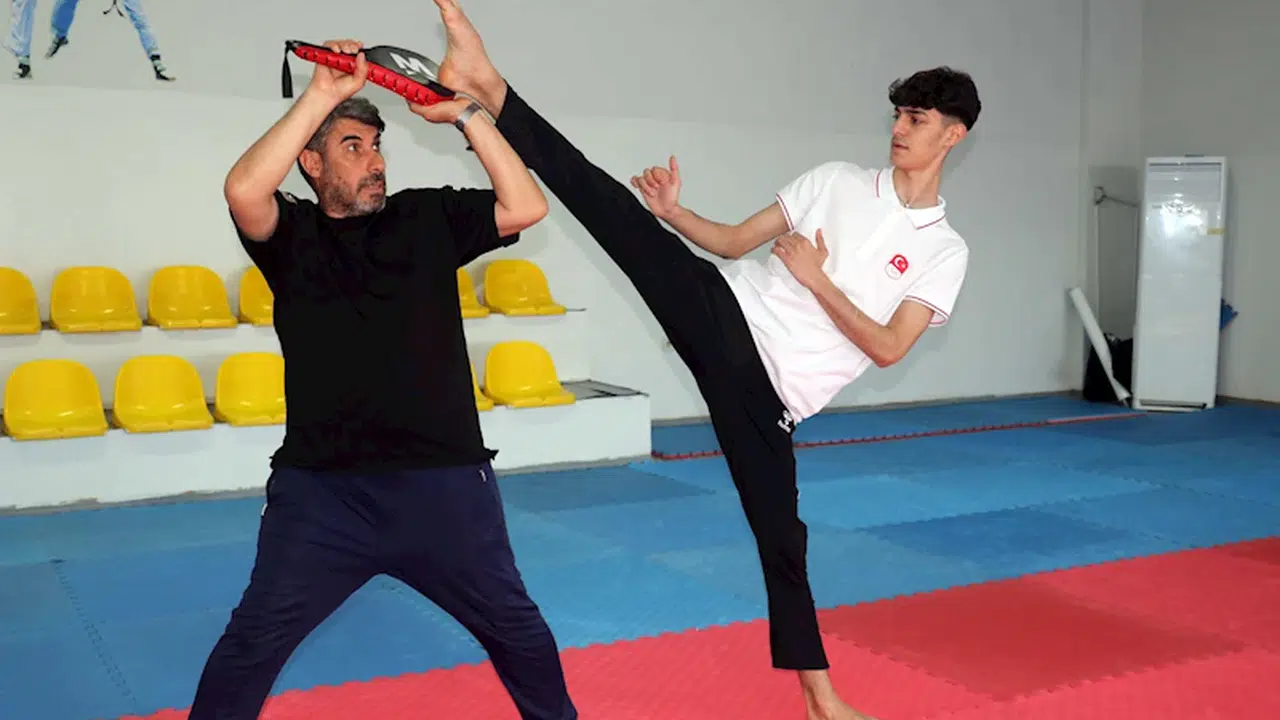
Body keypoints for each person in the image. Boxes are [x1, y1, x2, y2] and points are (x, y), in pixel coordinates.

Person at [422, 1, 980, 718]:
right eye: (898, 114)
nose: (900, 128)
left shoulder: (944, 252)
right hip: (726, 315)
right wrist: (674, 214)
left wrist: (817, 280)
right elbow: (734, 242)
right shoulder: (838, 180)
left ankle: (821, 702)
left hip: (771, 397)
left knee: (784, 544)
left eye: (918, 119)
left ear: (953, 134)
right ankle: (489, 88)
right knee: (609, 206)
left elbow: (889, 346)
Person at [187, 38, 577, 720]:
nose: (376, 162)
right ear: (311, 163)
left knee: (518, 631)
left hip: (443, 486)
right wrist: (320, 95)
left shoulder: (426, 217)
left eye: (376, 147)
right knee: (251, 642)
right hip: (323, 496)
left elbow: (525, 206)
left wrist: (466, 115)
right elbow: (243, 189)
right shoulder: (291, 235)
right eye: (353, 147)